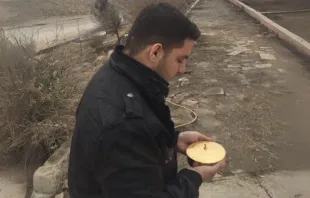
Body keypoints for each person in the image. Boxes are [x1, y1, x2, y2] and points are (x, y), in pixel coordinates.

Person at [68, 3, 225, 198]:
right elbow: (131, 134)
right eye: (180, 59)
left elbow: (138, 142)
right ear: (155, 52)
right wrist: (193, 177)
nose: (183, 69)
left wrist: (172, 139)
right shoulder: (124, 123)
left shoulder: (116, 72)